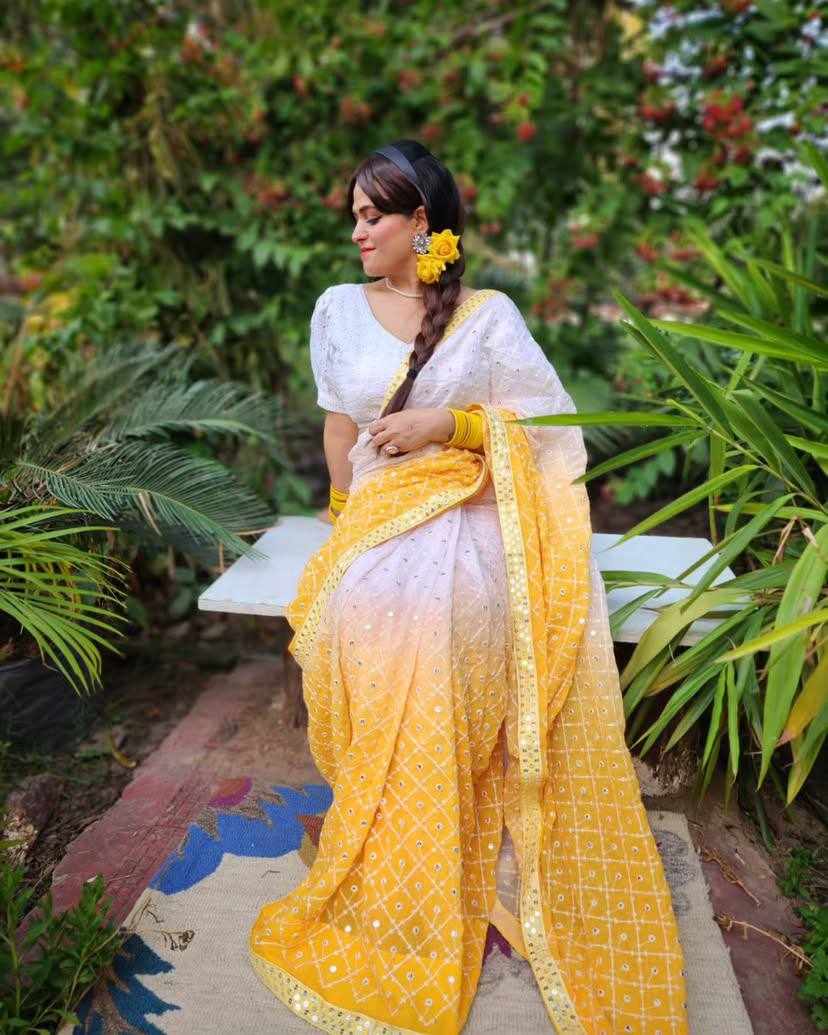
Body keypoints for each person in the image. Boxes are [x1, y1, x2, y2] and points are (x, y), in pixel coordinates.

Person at [249, 139, 689, 1035]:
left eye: (375, 215)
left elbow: (553, 429)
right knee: (359, 605)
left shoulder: (486, 317)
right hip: (378, 510)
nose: (358, 230)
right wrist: (346, 516)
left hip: (475, 506)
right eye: (355, 215)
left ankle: (438, 787)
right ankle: (382, 792)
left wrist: (449, 424)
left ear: (422, 223)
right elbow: (339, 430)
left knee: (439, 610)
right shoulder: (335, 308)